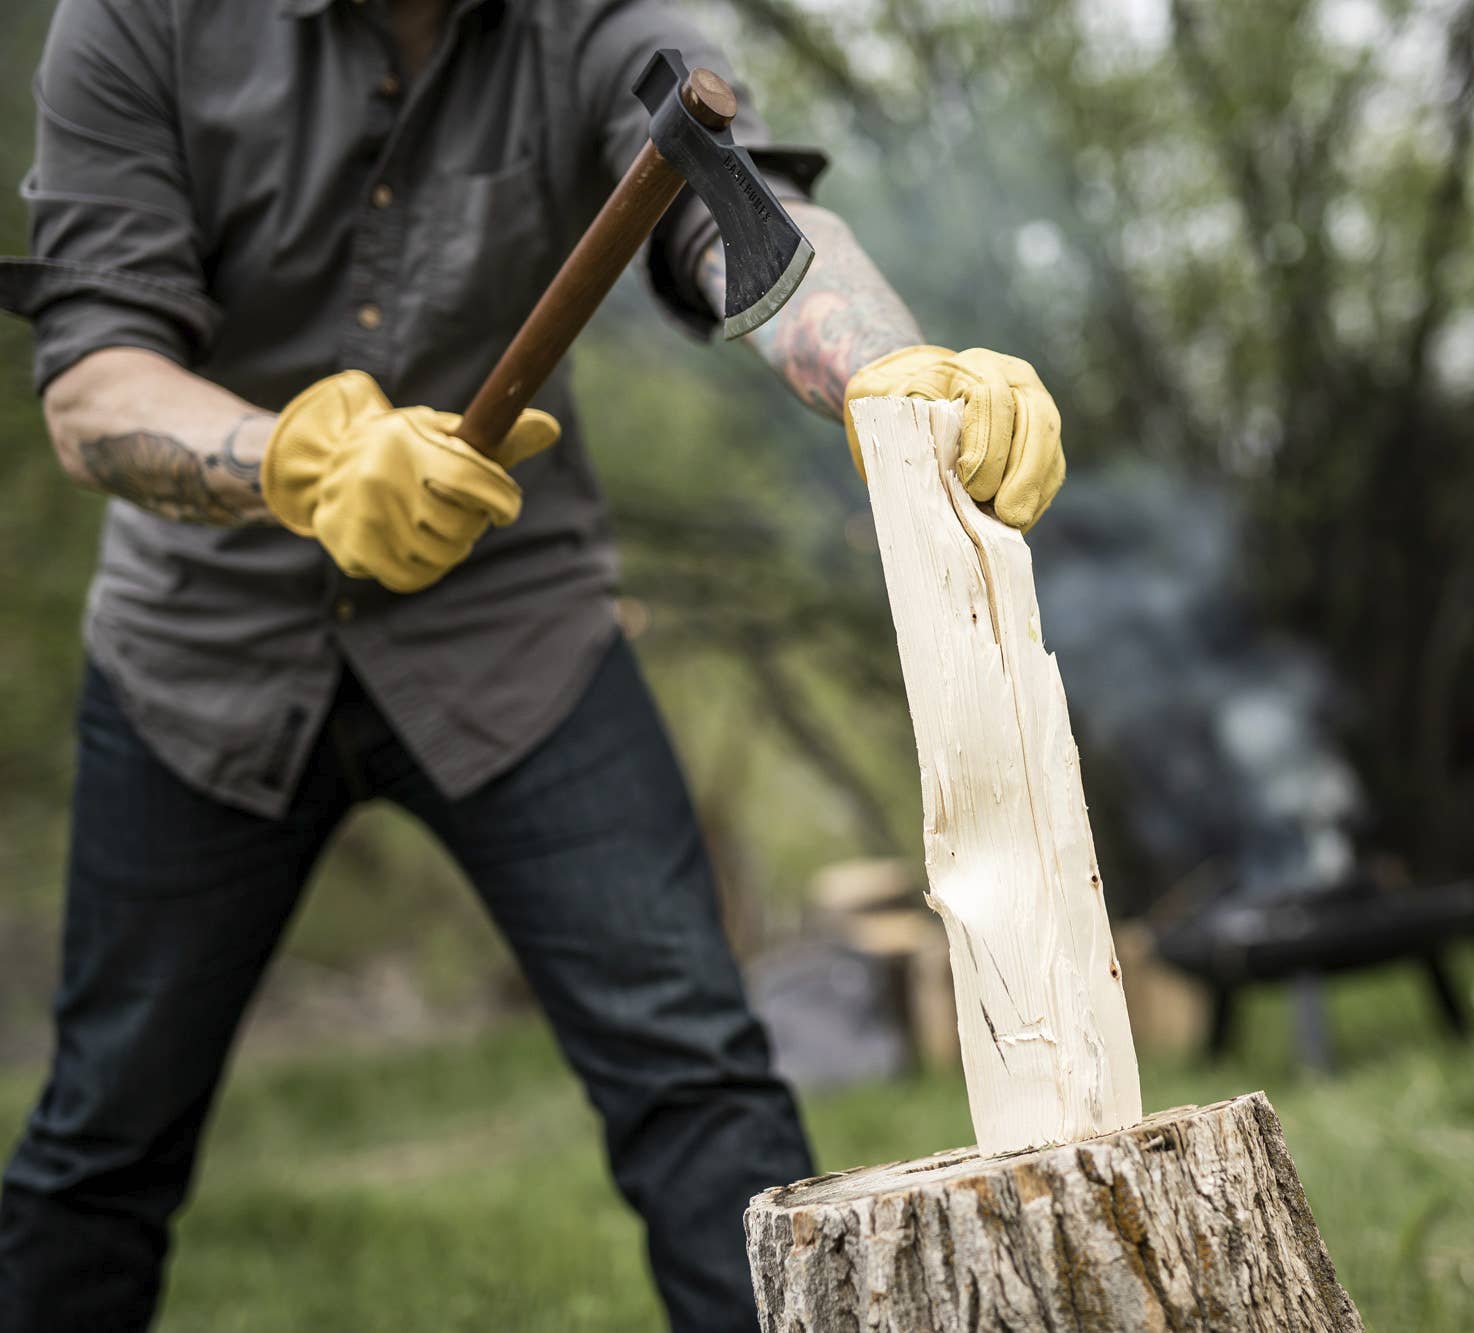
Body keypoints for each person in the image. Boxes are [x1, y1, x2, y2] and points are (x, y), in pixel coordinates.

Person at [0, 0, 1065, 1327]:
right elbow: (93, 383)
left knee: (701, 1087)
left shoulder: (599, 16)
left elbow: (741, 220)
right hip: (197, 657)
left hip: (513, 633)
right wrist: (304, 463)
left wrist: (892, 374)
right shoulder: (134, 24)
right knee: (103, 1138)